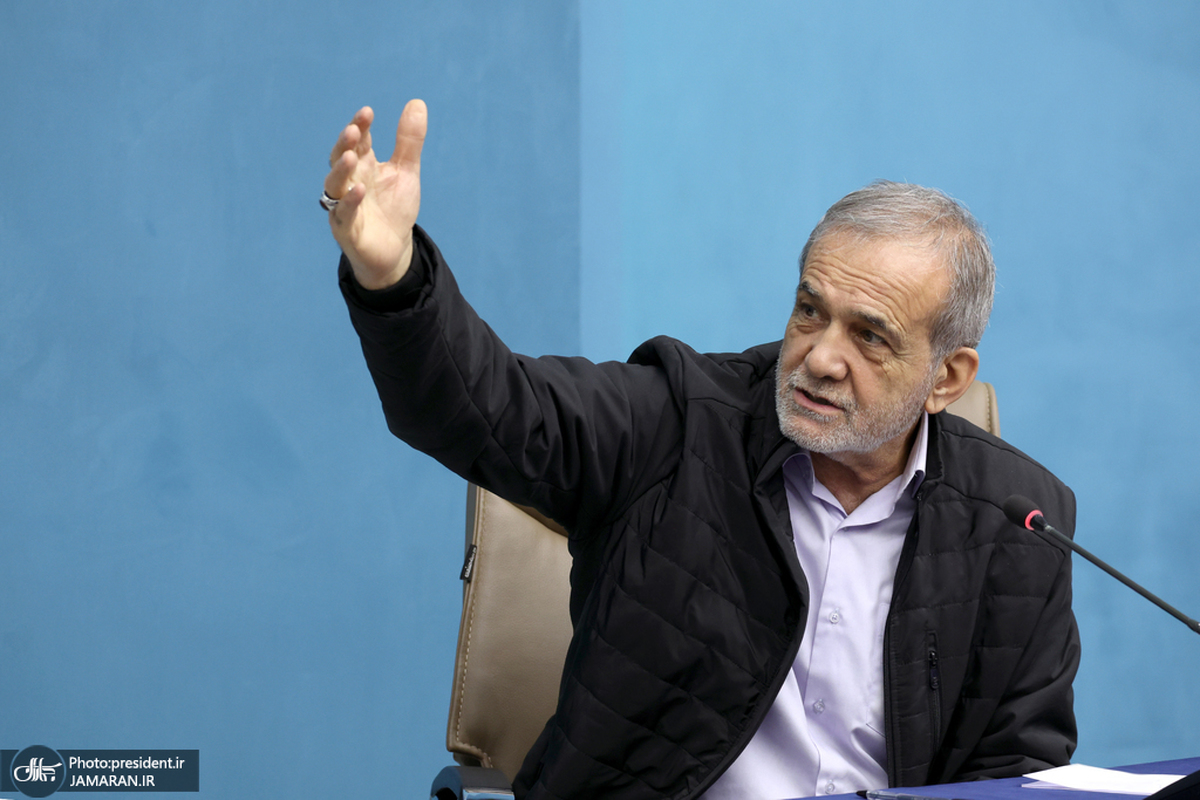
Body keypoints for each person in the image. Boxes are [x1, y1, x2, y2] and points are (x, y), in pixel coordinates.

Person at [323, 100, 1079, 800]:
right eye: (809, 311)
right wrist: (393, 279)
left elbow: (1016, 769)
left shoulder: (1020, 522)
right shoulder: (675, 420)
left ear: (947, 377)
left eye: (870, 337)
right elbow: (488, 409)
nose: (820, 357)